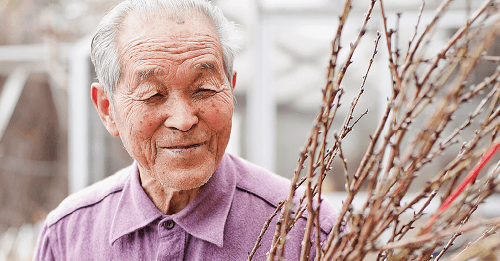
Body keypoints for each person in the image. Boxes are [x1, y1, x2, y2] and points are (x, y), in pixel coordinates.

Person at [34, 0, 337, 259]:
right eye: (153, 94)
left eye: (203, 89)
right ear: (107, 109)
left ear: (229, 89)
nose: (183, 120)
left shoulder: (309, 229)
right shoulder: (67, 237)